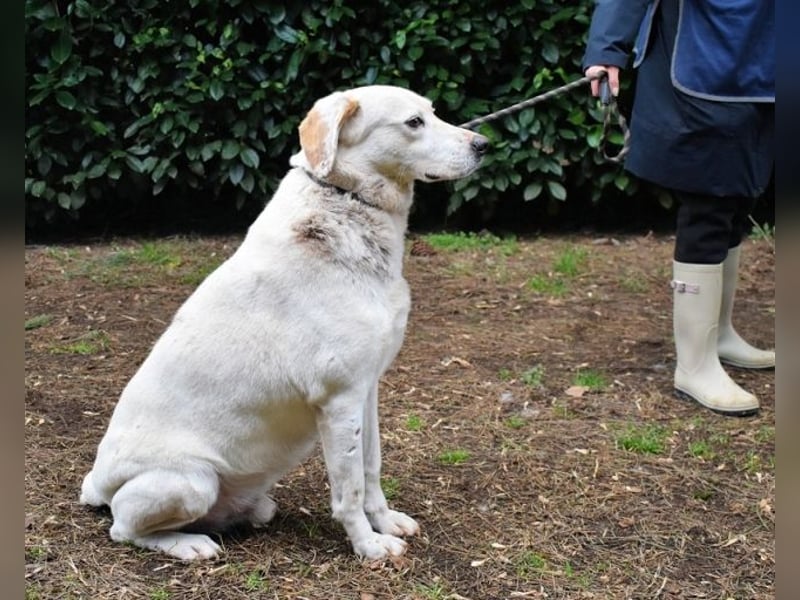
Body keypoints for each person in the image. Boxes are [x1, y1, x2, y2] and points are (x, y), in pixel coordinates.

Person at [581, 0, 774, 416]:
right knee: (711, 200)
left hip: (764, 57)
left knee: (741, 197)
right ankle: (695, 364)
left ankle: (718, 334)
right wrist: (606, 49)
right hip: (702, 57)